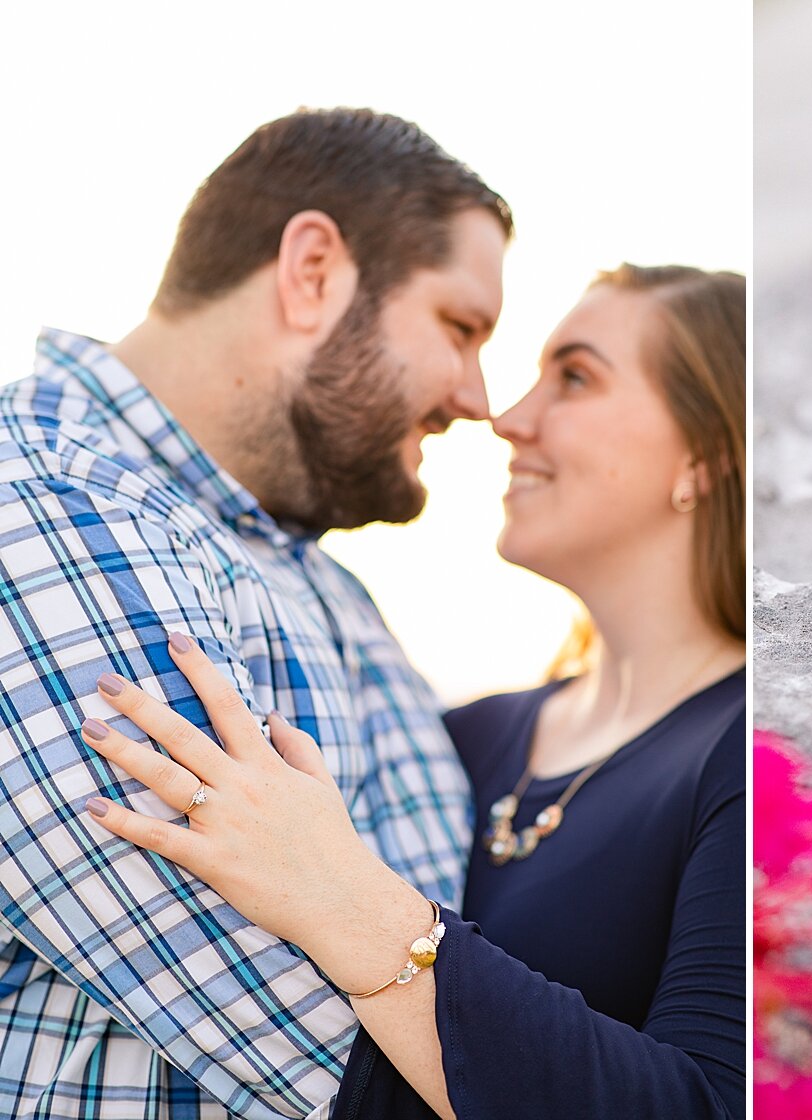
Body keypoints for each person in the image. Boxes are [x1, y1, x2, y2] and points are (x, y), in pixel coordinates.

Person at [77, 264, 747, 1119]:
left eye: (575, 377)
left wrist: (338, 893)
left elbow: (715, 1105)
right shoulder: (464, 737)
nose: (509, 418)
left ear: (708, 451)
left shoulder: (753, 754)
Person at [0, 109, 510, 1118]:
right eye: (460, 327)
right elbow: (315, 1045)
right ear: (313, 270)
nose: (480, 397)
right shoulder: (42, 507)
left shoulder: (318, 582)